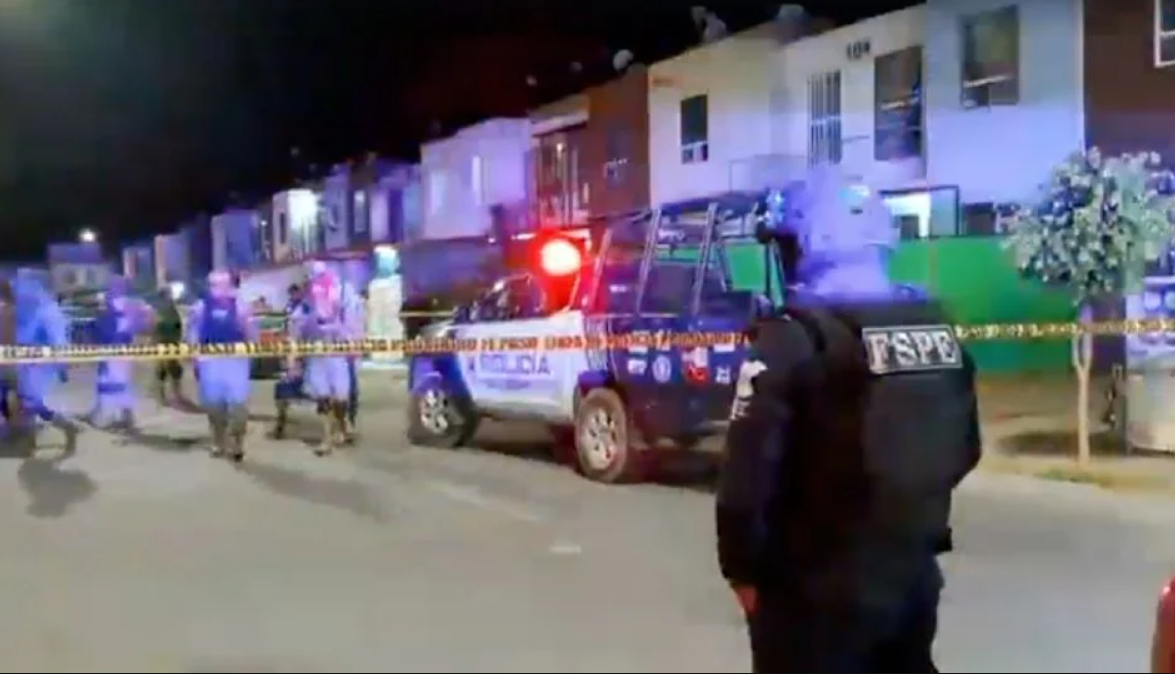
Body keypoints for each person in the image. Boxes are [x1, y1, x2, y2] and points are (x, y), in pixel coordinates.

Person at [716, 167, 982, 673]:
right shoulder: (934, 327)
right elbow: (966, 449)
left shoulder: (793, 337)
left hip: (812, 590)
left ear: (802, 246)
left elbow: (744, 481)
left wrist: (742, 571)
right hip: (911, 578)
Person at [290, 262, 362, 456]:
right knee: (322, 397)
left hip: (338, 353)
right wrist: (294, 358)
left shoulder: (343, 294)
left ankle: (342, 425)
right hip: (316, 354)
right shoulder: (307, 302)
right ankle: (326, 438)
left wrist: (353, 346)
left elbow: (353, 323)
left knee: (341, 397)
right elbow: (296, 327)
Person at [187, 269, 256, 461]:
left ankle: (238, 442)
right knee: (214, 407)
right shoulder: (200, 307)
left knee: (239, 407)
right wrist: (195, 358)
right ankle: (218, 439)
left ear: (230, 285)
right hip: (210, 362)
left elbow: (252, 334)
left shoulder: (241, 307)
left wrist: (251, 355)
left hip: (236, 362)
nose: (219, 289)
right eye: (214, 285)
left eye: (223, 284)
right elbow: (193, 334)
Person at [6, 272, 80, 450]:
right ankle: (30, 438)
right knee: (25, 400)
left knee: (32, 402)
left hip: (40, 364)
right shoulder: (24, 312)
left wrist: (61, 365)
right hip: (24, 361)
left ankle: (65, 426)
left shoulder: (47, 312)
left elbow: (58, 340)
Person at [87, 277, 155, 430]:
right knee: (114, 382)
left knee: (113, 383)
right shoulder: (115, 303)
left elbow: (146, 320)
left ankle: (115, 416)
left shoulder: (126, 304)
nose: (110, 288)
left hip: (117, 348)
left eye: (113, 286)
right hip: (112, 348)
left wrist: (133, 328)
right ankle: (121, 416)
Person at [272, 283, 307, 439]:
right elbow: (285, 326)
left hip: (307, 349)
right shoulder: (289, 307)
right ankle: (281, 422)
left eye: (296, 293)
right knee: (283, 387)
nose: (294, 295)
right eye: (292, 293)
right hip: (291, 349)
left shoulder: (307, 308)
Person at [154, 287, 186, 405]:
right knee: (162, 370)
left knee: (175, 369)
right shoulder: (159, 311)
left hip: (173, 342)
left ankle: (177, 394)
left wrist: (180, 339)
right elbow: (155, 329)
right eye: (168, 295)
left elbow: (179, 326)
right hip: (163, 343)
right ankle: (161, 396)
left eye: (170, 294)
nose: (171, 297)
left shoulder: (173, 310)